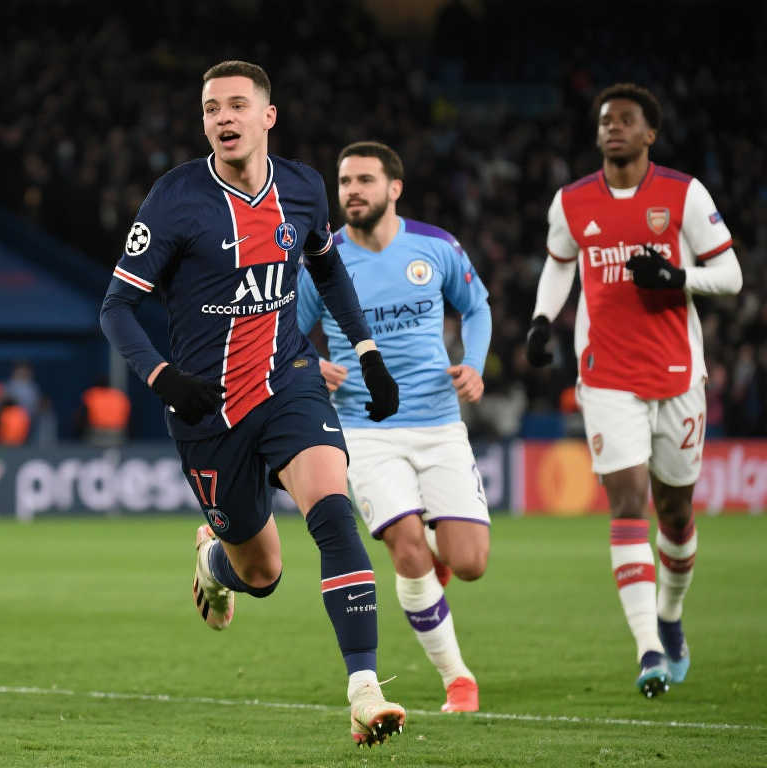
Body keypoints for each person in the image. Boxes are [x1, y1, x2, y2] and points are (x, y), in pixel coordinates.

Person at [100, 61, 405, 746]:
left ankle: (363, 690)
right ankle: (214, 563)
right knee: (261, 574)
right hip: (207, 410)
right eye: (212, 109)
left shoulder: (303, 187)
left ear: (268, 116)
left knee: (334, 512)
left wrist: (367, 351)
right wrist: (163, 378)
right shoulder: (174, 199)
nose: (223, 118)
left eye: (237, 105)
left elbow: (327, 267)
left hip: (289, 379)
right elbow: (116, 307)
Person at [525, 84, 742, 697]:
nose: (613, 128)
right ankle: (648, 648)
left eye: (626, 120)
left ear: (650, 134)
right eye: (605, 121)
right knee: (627, 502)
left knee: (675, 513)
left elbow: (731, 275)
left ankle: (670, 616)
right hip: (605, 377)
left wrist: (676, 277)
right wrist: (542, 319)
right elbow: (559, 263)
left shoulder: (684, 194)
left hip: (677, 376)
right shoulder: (572, 201)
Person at [297, 141, 492, 713]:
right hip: (365, 428)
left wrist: (475, 365)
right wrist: (312, 362)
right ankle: (458, 678)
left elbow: (476, 306)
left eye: (364, 180)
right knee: (406, 550)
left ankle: (435, 554)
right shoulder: (323, 258)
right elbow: (284, 332)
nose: (352, 191)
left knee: (470, 562)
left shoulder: (436, 247)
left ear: (394, 188)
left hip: (438, 421)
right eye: (344, 182)